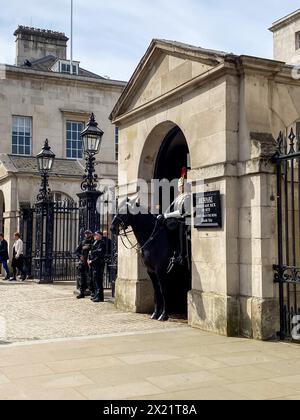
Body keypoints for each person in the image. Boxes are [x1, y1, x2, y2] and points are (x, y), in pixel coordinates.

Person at [159, 167, 192, 269]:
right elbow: (170, 209)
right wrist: (163, 215)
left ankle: (182, 255)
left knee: (180, 227)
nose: (179, 188)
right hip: (177, 220)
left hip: (185, 220)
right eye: (179, 186)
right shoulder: (179, 197)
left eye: (180, 186)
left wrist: (167, 215)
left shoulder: (187, 196)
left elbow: (181, 212)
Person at [75, 230, 95, 299]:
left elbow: (95, 250)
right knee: (82, 278)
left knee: (91, 277)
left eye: (88, 234)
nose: (86, 235)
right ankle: (82, 292)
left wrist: (90, 247)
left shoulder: (93, 241)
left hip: (90, 262)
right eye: (86, 234)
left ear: (91, 234)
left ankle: (92, 292)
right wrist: (80, 256)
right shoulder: (83, 242)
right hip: (83, 262)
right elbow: (77, 251)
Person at [88, 231, 106, 303]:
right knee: (94, 280)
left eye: (96, 235)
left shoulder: (102, 243)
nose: (94, 236)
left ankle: (100, 297)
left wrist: (92, 261)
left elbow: (99, 254)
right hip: (94, 264)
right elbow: (91, 253)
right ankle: (96, 295)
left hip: (98, 263)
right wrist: (89, 260)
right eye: (94, 235)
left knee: (98, 280)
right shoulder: (95, 242)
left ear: (100, 236)